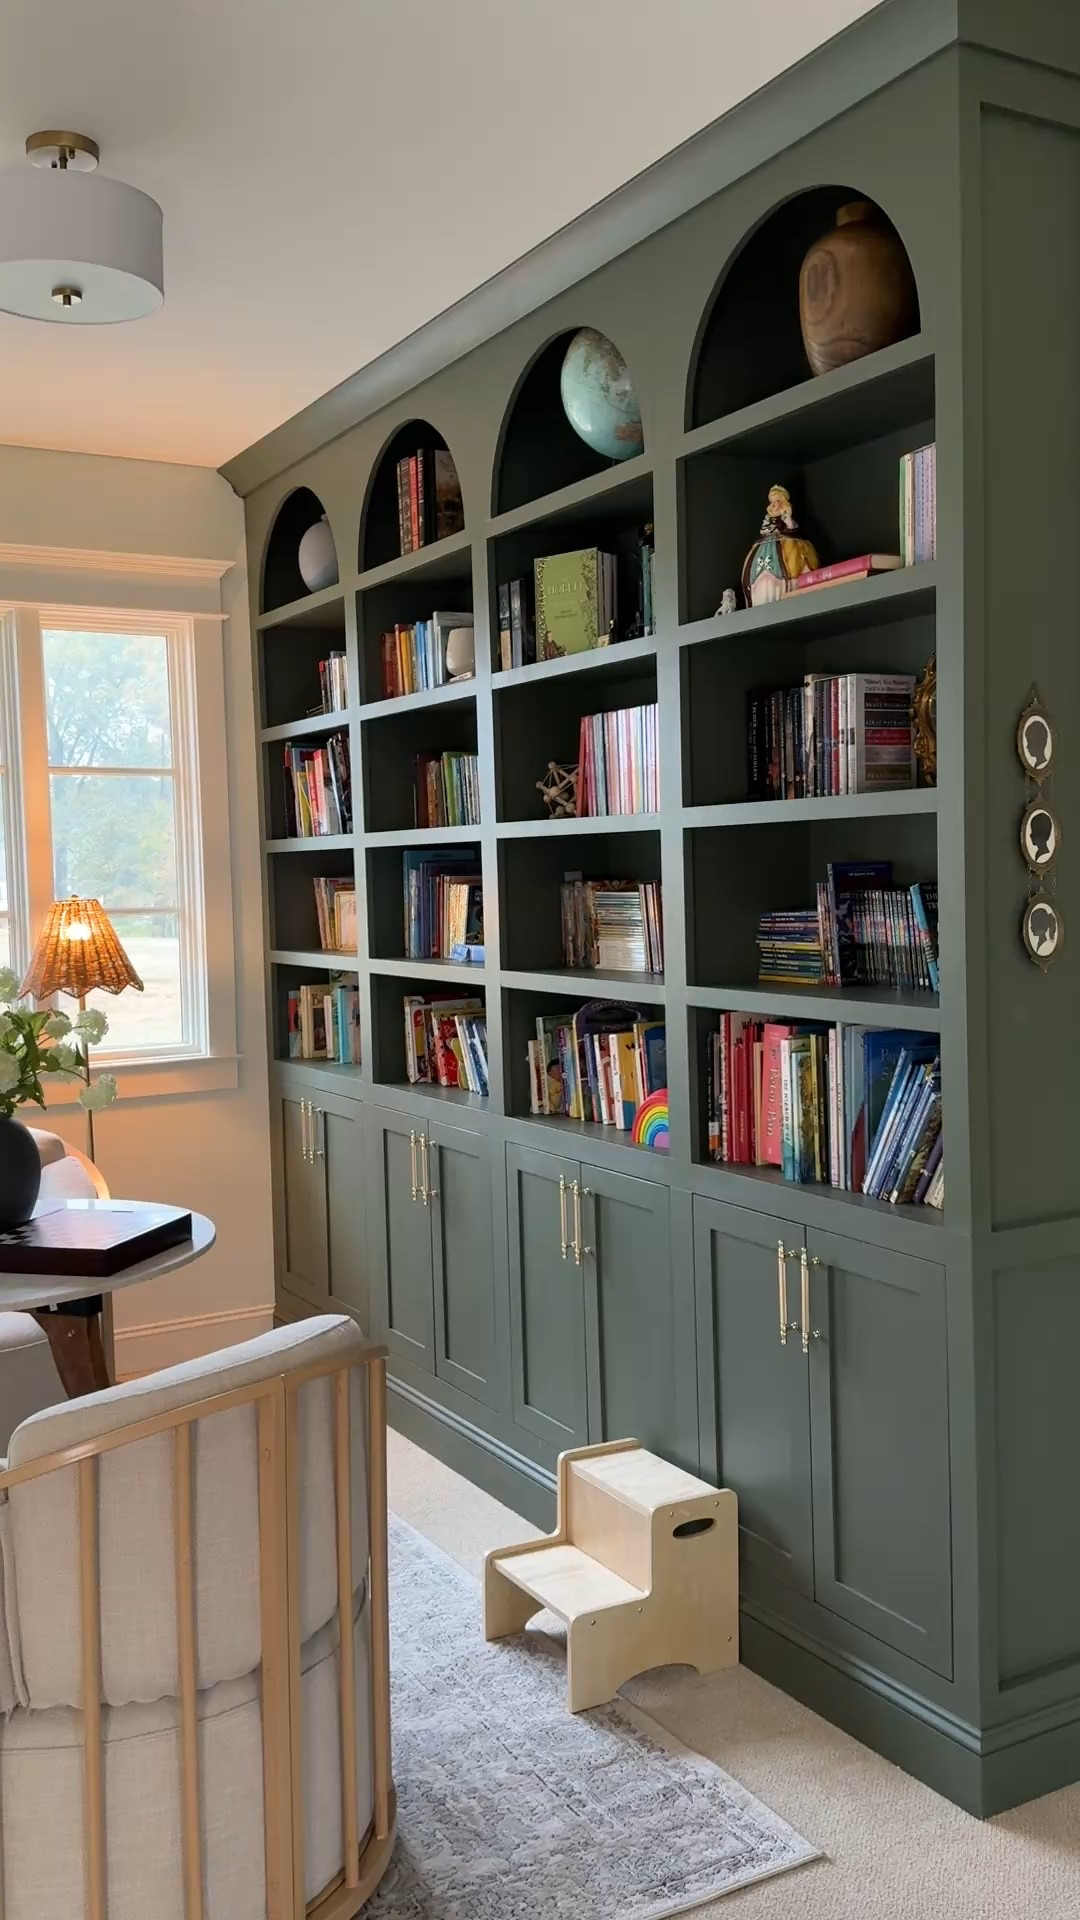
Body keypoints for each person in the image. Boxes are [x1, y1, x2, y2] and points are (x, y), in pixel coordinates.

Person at [741, 484, 818, 605]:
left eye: (777, 501)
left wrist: (788, 522)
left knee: (793, 559)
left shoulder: (786, 516)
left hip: (786, 544)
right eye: (772, 502)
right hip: (768, 545)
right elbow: (764, 531)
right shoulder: (768, 519)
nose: (774, 505)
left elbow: (792, 528)